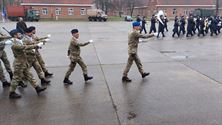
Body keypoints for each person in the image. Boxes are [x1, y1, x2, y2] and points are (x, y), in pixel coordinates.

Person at [9, 29, 46, 99]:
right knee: (16, 78)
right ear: (15, 35)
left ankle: (37, 88)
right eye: (19, 34)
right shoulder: (14, 44)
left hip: (23, 62)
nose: (20, 35)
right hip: (19, 64)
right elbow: (24, 47)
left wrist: (36, 45)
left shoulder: (18, 41)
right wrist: (36, 45)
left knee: (29, 75)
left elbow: (27, 45)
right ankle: (12, 92)